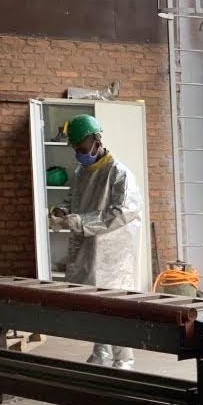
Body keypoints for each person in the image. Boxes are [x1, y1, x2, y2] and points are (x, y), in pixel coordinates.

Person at [49, 113, 142, 369]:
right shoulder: (81, 172)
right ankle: (101, 353)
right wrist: (62, 214)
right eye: (75, 147)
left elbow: (123, 212)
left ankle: (124, 359)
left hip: (114, 252)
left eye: (81, 145)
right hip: (89, 248)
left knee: (118, 306)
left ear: (96, 140)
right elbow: (73, 201)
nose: (78, 151)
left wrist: (80, 222)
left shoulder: (119, 173)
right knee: (97, 307)